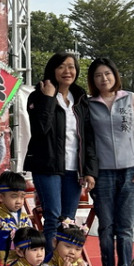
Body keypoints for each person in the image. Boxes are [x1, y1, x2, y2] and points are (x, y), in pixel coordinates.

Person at [86, 58, 134, 266]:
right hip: (102, 173)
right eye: (98, 75)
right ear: (92, 80)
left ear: (115, 75)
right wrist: (88, 172)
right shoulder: (88, 104)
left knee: (125, 227)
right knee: (106, 227)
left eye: (107, 74)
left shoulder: (131, 98)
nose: (103, 79)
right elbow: (86, 142)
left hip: (131, 170)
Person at [24, 51, 98, 247]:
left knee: (68, 219)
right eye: (61, 66)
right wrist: (49, 98)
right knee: (53, 218)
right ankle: (50, 262)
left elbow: (88, 138)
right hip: (47, 166)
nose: (67, 71)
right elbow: (40, 129)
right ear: (53, 70)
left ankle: (64, 261)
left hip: (74, 169)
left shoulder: (80, 98)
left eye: (71, 67)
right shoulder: (38, 95)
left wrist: (90, 170)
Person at [0, 171, 33, 266]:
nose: (19, 201)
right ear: (1, 197)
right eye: (14, 196)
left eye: (22, 197)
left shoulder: (25, 218)